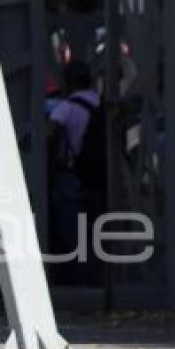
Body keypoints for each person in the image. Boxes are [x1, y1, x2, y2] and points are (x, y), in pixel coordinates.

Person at [47, 59, 104, 285]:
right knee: (98, 226)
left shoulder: (65, 108)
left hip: (74, 175)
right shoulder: (101, 103)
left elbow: (47, 134)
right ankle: (105, 274)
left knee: (74, 229)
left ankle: (83, 277)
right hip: (101, 175)